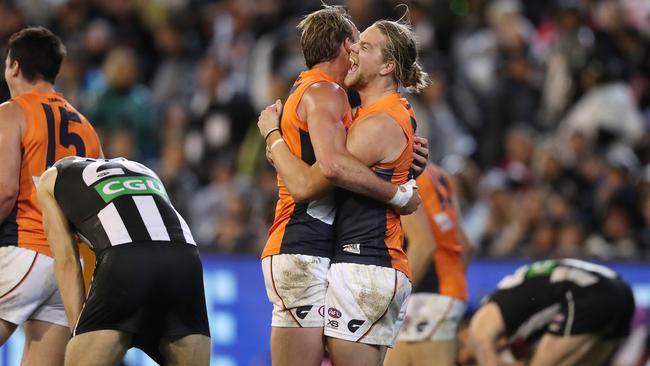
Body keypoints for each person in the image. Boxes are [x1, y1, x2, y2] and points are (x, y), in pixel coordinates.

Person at [256, 6, 428, 366]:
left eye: (366, 47)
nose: (355, 52)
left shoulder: (368, 114)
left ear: (386, 67)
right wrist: (399, 187)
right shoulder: (340, 100)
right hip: (314, 249)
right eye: (357, 43)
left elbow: (332, 168)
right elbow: (326, 172)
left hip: (356, 260)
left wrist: (274, 138)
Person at [36, 156, 211, 366]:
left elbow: (67, 262)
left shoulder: (50, 179)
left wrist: (78, 329)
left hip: (125, 257)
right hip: (186, 258)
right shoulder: (142, 169)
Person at [0, 26, 102, 365]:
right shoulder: (87, 127)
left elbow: (4, 191)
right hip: (67, 266)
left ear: (14, 66)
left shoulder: (12, 111)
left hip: (24, 248)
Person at [385, 163, 474, 366]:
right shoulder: (437, 173)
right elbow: (465, 246)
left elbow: (423, 245)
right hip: (441, 293)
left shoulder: (401, 170)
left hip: (424, 295)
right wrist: (450, 291)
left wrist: (392, 302)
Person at [467, 259, 635, 366]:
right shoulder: (512, 320)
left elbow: (482, 347)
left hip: (587, 292)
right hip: (620, 291)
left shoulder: (480, 327)